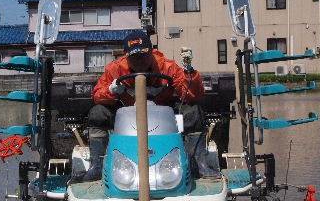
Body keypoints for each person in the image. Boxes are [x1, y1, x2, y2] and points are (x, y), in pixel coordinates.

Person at [80, 30, 219, 182]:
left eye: (143, 56)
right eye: (134, 57)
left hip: (164, 111)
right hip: (126, 112)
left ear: (151, 53)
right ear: (126, 57)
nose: (139, 61)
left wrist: (188, 74)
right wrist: (111, 91)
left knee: (193, 111)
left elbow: (192, 95)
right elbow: (97, 95)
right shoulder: (115, 69)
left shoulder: (167, 67)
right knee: (97, 113)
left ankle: (197, 163)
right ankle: (98, 165)